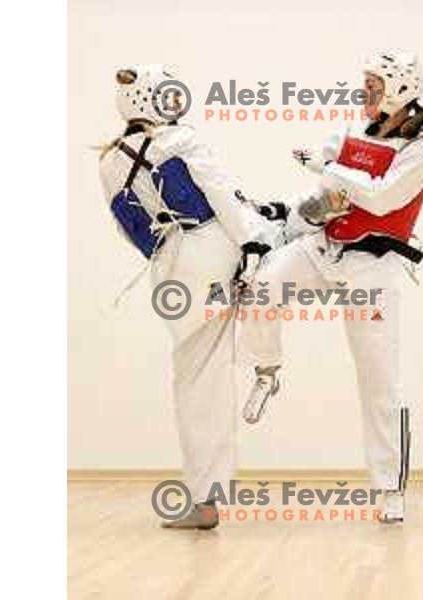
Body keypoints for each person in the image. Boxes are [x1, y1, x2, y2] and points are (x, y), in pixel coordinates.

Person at [242, 50, 423, 523]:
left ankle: (388, 491)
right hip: (325, 247)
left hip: (373, 268)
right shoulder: (353, 131)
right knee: (263, 287)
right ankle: (268, 370)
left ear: (398, 89)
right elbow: (325, 192)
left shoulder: (422, 147)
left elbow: (379, 198)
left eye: (374, 84)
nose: (364, 92)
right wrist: (285, 211)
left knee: (378, 381)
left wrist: (326, 169)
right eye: (365, 83)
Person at [99, 64, 274, 529]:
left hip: (170, 270)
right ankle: (207, 495)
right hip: (213, 249)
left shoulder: (110, 161)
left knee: (193, 377)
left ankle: (203, 499)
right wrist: (255, 243)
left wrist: (171, 255)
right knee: (211, 374)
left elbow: (129, 230)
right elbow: (222, 198)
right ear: (153, 99)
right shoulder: (182, 140)